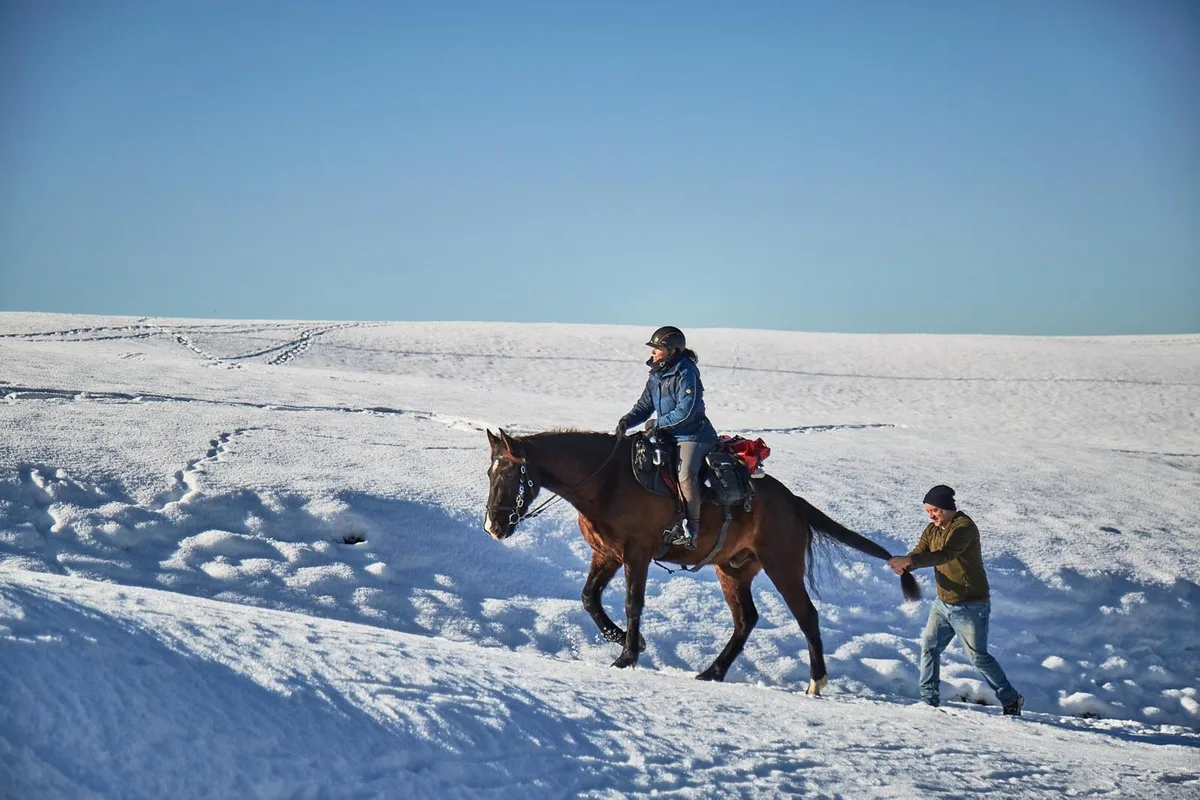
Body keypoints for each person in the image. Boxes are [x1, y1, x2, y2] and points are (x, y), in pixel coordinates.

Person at [887, 485, 1024, 715]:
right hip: (943, 604)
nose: (931, 516)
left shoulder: (964, 528)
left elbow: (946, 554)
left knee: (978, 657)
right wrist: (906, 564)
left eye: (935, 510)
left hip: (971, 606)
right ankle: (928, 701)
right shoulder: (932, 529)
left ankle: (1011, 699)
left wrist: (910, 559)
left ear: (948, 508)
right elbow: (921, 551)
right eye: (927, 511)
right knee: (929, 648)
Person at [615, 326, 718, 549]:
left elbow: (686, 410)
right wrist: (627, 421)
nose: (652, 353)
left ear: (671, 351)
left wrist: (657, 423)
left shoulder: (686, 372)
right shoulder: (656, 374)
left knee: (685, 476)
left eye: (657, 349)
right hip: (668, 434)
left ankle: (692, 531)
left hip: (693, 435)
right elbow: (644, 406)